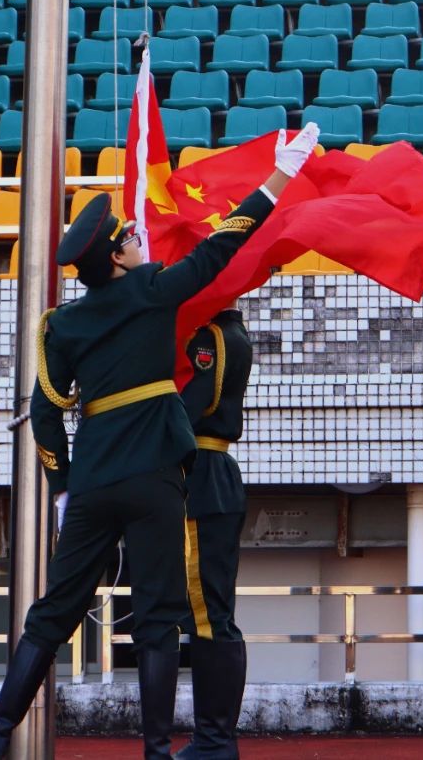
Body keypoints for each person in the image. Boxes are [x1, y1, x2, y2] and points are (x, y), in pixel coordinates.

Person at [0, 123, 321, 760]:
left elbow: (45, 412)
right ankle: (156, 750)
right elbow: (224, 243)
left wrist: (62, 485)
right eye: (129, 238)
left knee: (53, 612)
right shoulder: (154, 291)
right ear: (115, 258)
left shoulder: (62, 324)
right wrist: (279, 177)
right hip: (155, 475)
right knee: (157, 619)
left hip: (92, 481)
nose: (138, 240)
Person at [174, 304, 254, 760]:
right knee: (212, 611)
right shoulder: (233, 332)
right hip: (214, 471)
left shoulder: (211, 336)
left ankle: (214, 739)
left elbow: (190, 406)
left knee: (207, 615)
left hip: (201, 473)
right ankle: (215, 738)